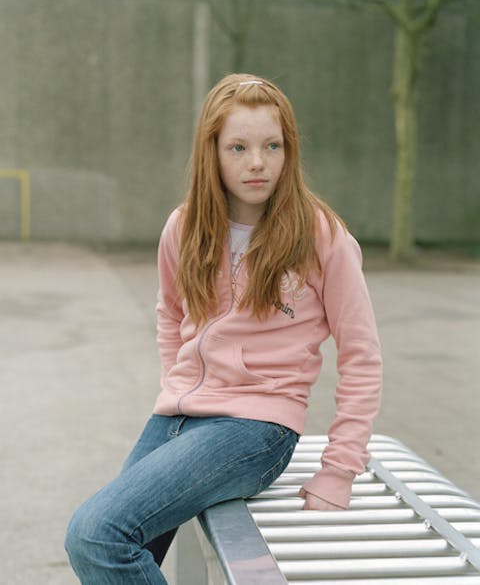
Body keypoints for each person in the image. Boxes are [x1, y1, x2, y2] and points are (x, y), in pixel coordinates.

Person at [65, 73, 382, 584]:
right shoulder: (185, 227)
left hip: (256, 427)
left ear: (289, 150)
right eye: (238, 147)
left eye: (272, 146)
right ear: (211, 152)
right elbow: (171, 314)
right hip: (178, 417)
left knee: (96, 535)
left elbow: (361, 355)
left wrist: (338, 469)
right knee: (111, 542)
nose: (257, 162)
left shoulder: (321, 235)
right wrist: (176, 383)